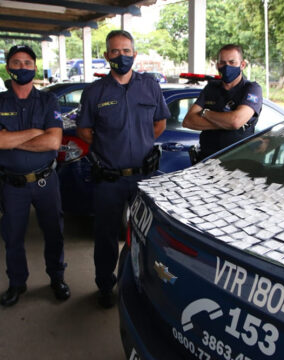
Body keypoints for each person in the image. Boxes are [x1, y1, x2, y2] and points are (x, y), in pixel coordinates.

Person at [76, 30, 170, 309]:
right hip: (109, 179)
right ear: (106, 56)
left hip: (144, 177)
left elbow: (159, 124)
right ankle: (105, 286)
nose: (121, 56)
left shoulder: (150, 86)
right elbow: (84, 130)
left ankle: (147, 286)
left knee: (147, 235)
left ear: (135, 54)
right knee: (105, 236)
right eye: (115, 51)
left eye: (126, 51)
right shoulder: (95, 91)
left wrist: (140, 142)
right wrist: (111, 145)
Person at [0, 45, 70, 307]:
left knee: (54, 232)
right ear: (8, 67)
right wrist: (33, 132)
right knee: (13, 236)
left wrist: (9, 140)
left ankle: (57, 278)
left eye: (28, 63)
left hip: (45, 181)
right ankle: (17, 283)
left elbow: (53, 142)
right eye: (16, 63)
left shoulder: (47, 100)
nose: (22, 68)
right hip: (11, 184)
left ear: (35, 68)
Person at [183, 44, 263, 160]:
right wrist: (226, 123)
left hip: (237, 162)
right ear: (217, 65)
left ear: (242, 65)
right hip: (207, 160)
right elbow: (188, 121)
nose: (227, 67)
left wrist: (206, 113)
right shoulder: (211, 88)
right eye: (222, 63)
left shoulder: (252, 89)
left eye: (232, 62)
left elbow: (235, 121)